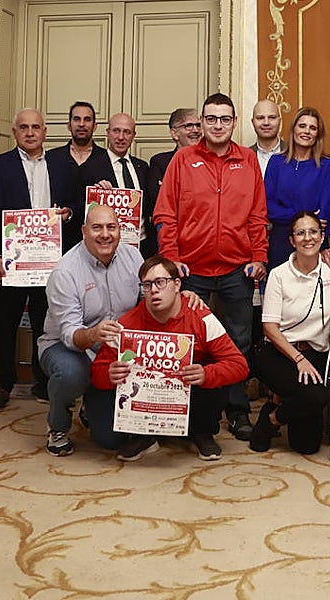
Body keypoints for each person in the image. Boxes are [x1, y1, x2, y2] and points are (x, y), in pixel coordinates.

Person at [153, 92, 268, 441]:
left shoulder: (247, 160)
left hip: (237, 270)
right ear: (201, 122)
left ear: (234, 123)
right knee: (188, 342)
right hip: (191, 270)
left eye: (225, 118)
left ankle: (236, 411)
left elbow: (257, 215)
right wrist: (171, 258)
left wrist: (259, 256)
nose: (218, 125)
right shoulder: (183, 160)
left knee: (237, 342)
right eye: (211, 118)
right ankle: (182, 412)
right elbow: (165, 214)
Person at [91, 256, 249, 461]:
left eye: (160, 282)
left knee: (211, 370)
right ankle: (144, 436)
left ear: (176, 285)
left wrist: (206, 374)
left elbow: (239, 365)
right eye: (147, 285)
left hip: (192, 393)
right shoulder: (127, 324)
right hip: (142, 401)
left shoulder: (201, 317)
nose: (154, 290)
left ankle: (201, 432)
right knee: (106, 438)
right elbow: (97, 372)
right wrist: (109, 373)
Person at [0, 108, 75, 410]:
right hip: (12, 261)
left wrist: (68, 213)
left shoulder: (62, 164)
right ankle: (1, 385)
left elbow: (75, 203)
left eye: (36, 127)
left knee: (46, 323)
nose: (31, 132)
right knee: (6, 323)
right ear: (15, 132)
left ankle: (44, 380)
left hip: (50, 261)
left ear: (45, 132)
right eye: (24, 127)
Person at [252, 212, 330, 454]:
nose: (308, 238)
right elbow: (269, 327)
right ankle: (271, 418)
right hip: (279, 352)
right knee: (317, 397)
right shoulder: (279, 274)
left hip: (316, 354)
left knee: (307, 446)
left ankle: (274, 414)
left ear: (322, 236)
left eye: (313, 232)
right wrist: (298, 359)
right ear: (292, 240)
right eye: (300, 233)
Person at [38, 205, 141, 456]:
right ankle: (58, 426)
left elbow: (150, 303)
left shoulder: (134, 257)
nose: (105, 234)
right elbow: (70, 335)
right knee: (72, 373)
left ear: (120, 230)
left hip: (114, 350)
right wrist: (95, 334)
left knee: (111, 440)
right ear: (84, 231)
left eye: (111, 227)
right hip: (66, 347)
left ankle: (91, 407)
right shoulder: (65, 271)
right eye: (97, 228)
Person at [263, 107, 330, 269]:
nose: (307, 131)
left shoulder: (327, 165)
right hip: (280, 242)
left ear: (318, 134)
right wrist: (303, 217)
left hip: (312, 243)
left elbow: (324, 215)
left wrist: (319, 241)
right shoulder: (276, 163)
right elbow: (268, 207)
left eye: (313, 128)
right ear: (293, 129)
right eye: (302, 126)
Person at [80, 113, 156, 258]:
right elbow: (81, 210)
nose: (121, 137)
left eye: (126, 132)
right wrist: (96, 196)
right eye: (116, 131)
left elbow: (150, 206)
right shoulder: (90, 168)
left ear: (133, 136)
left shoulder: (142, 167)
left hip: (142, 246)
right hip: (107, 247)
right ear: (108, 133)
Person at [46, 101, 110, 248]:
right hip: (56, 241)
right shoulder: (51, 158)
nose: (81, 124)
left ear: (95, 126)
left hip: (98, 242)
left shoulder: (107, 159)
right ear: (69, 125)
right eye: (76, 119)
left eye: (87, 120)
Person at [148, 107, 202, 211]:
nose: (196, 130)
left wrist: (171, 189)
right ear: (174, 133)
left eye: (198, 125)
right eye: (189, 126)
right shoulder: (160, 162)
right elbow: (157, 201)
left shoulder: (211, 160)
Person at [251, 99, 286, 176]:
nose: (266, 123)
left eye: (272, 117)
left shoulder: (293, 153)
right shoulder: (244, 158)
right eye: (260, 118)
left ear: (280, 121)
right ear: (252, 122)